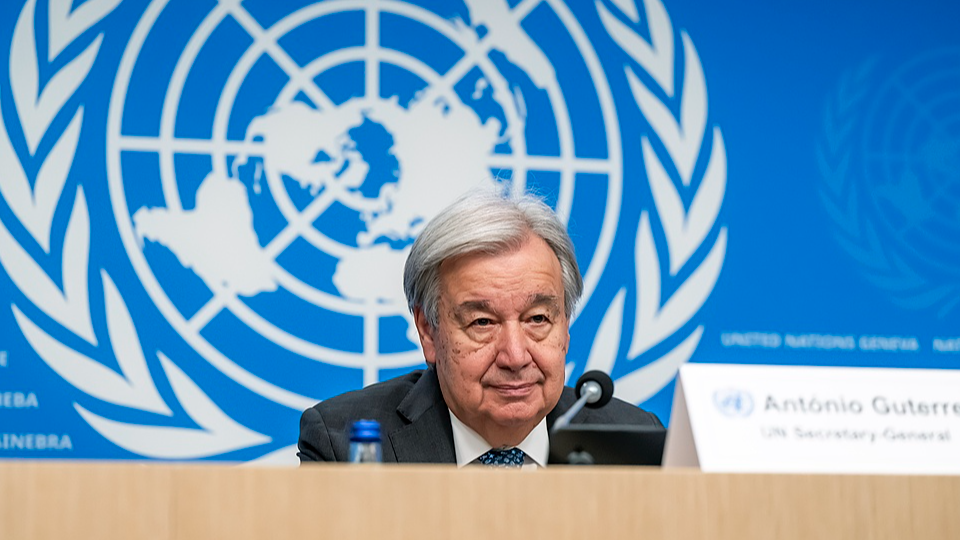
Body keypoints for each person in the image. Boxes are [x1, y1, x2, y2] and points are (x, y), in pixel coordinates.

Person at [298, 190, 661, 466]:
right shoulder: (344, 443)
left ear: (565, 327)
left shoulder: (636, 444)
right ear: (428, 331)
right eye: (482, 322)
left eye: (537, 319)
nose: (516, 356)